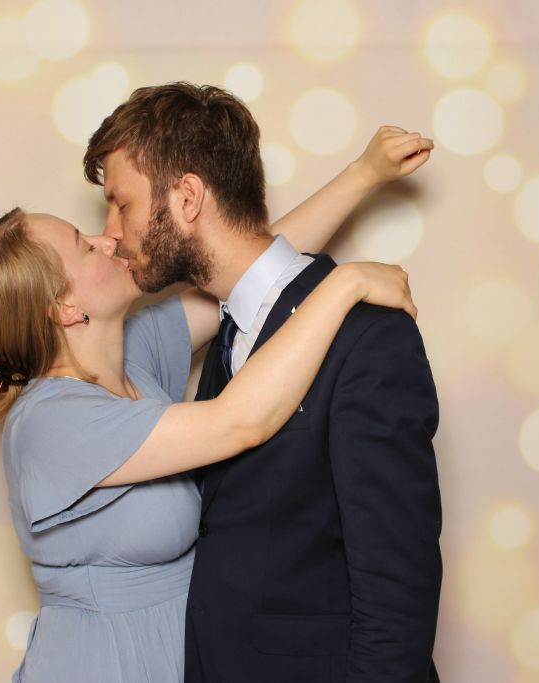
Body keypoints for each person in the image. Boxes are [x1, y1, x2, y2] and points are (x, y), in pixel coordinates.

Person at [0, 124, 430, 681]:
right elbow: (237, 423)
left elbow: (254, 273)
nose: (108, 239)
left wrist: (363, 175)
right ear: (65, 309)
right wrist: (344, 285)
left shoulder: (136, 357)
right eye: (84, 245)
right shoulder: (49, 423)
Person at [84, 83, 442, 683]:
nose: (111, 231)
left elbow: (396, 593)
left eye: (121, 203)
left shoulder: (369, 337)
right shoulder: (227, 328)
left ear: (188, 197)